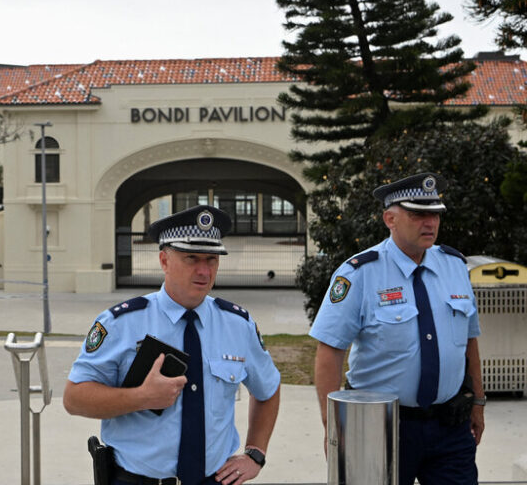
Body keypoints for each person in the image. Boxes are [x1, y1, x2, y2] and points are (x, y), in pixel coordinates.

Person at [64, 206, 281, 485]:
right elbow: (74, 398)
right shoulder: (121, 323)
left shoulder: (238, 324)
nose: (204, 270)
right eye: (191, 258)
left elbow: (268, 388)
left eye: (212, 259)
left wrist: (255, 453)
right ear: (164, 261)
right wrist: (142, 397)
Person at [309, 172, 485, 484]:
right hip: (379, 427)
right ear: (390, 218)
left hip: (450, 426)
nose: (429, 223)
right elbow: (330, 351)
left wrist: (479, 402)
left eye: (434, 214)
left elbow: (469, 340)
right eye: (418, 214)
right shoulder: (360, 273)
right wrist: (333, 427)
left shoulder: (455, 265)